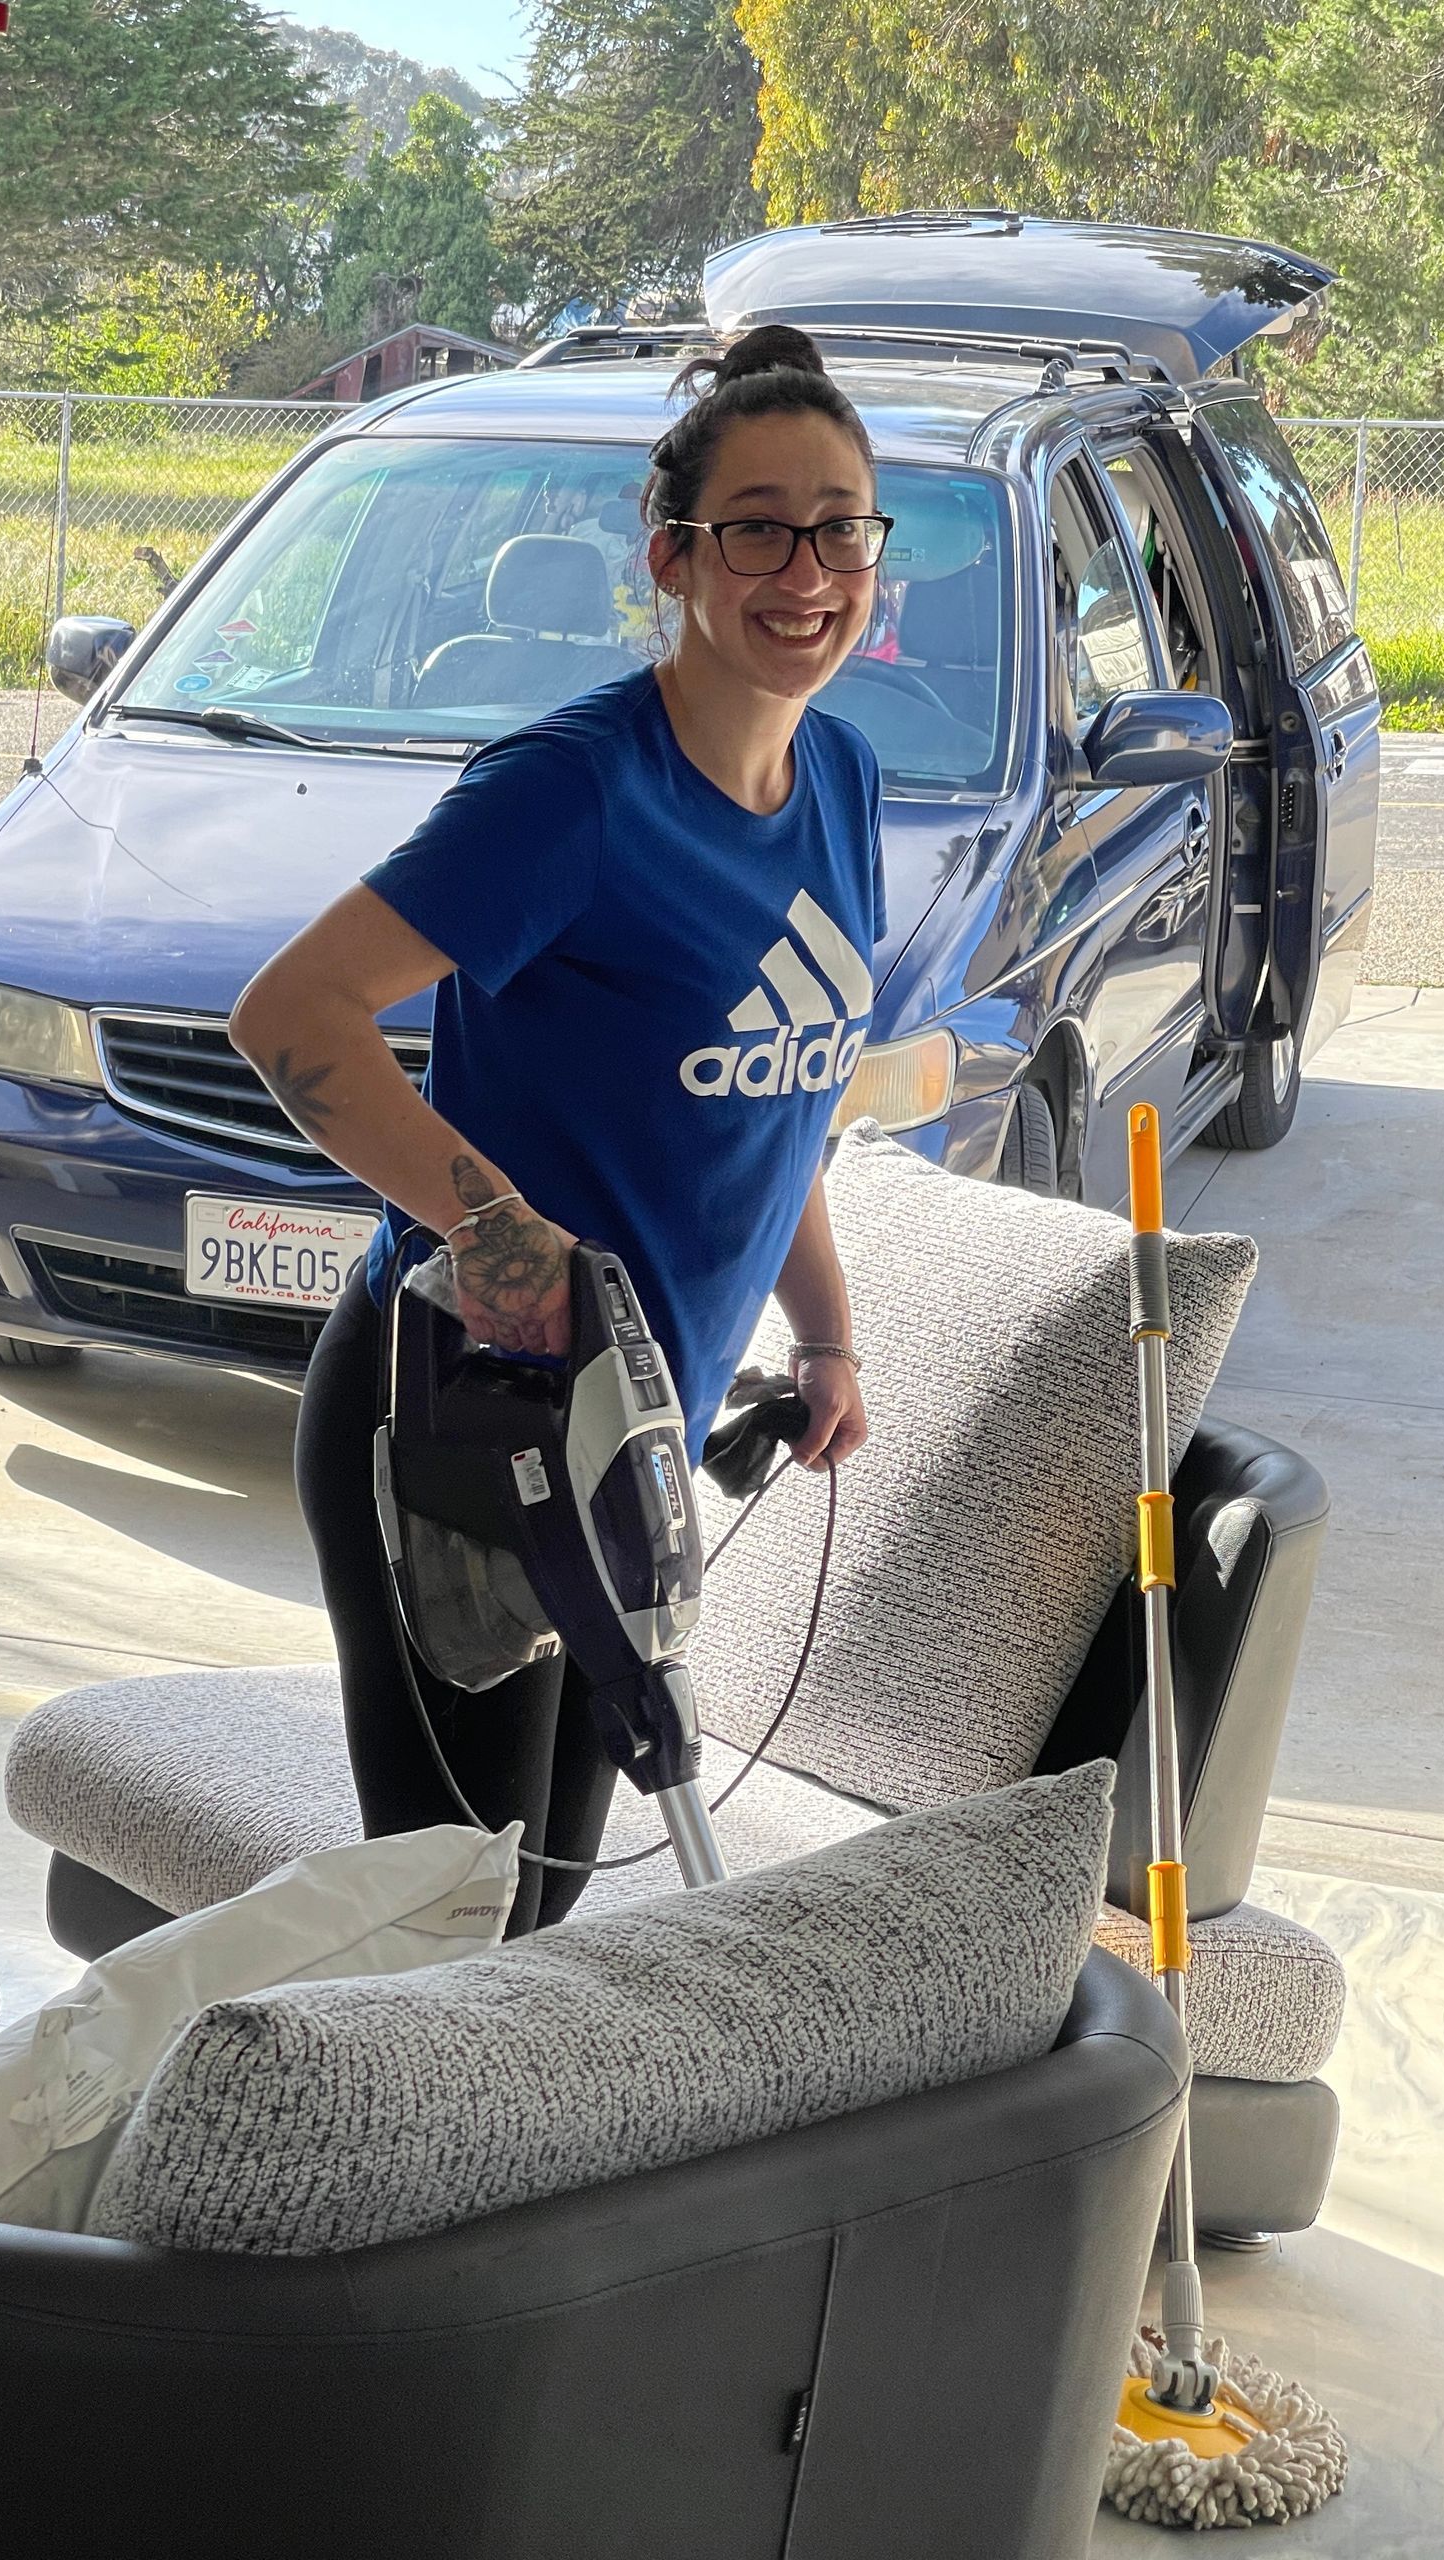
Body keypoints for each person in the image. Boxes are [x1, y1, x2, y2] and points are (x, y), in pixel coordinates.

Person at [230, 324, 889, 1935]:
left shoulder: (843, 779)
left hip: (623, 1437)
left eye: (842, 527)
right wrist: (498, 1233)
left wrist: (827, 1337)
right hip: (465, 1412)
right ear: (671, 555)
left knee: (552, 1896)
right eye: (757, 528)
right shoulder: (575, 791)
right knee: (452, 1923)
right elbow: (294, 1016)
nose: (806, 570)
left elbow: (779, 1082)